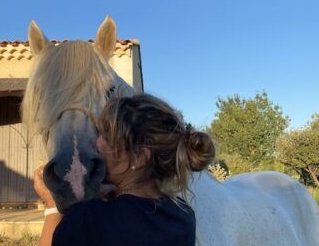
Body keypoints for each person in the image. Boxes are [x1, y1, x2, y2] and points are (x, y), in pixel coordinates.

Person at [34, 94, 215, 246]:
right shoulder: (184, 215)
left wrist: (52, 207)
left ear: (139, 157)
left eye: (106, 137)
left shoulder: (87, 220)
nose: (96, 143)